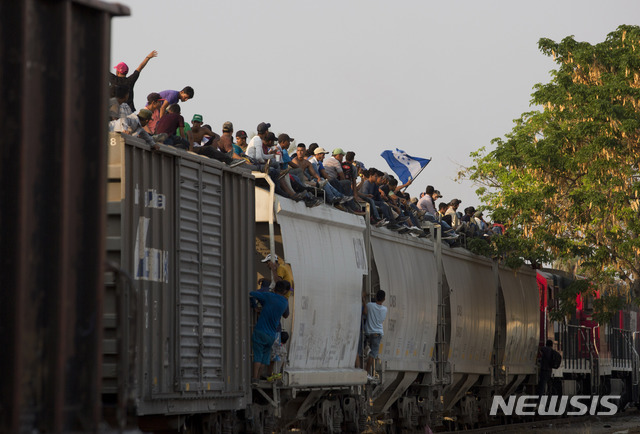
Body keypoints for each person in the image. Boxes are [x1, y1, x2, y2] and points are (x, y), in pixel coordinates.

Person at [250, 281, 290, 384]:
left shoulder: (269, 296)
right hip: (272, 335)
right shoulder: (285, 302)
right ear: (285, 291)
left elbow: (252, 293)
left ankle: (254, 379)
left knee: (258, 355)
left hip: (260, 330)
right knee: (264, 358)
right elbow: (286, 314)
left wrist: (255, 306)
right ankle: (258, 378)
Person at [358, 290, 387, 380]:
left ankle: (359, 368)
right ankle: (366, 372)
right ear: (384, 299)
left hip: (368, 332)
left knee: (362, 349)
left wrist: (363, 299)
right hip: (377, 333)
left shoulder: (370, 305)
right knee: (373, 354)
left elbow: (365, 312)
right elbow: (381, 320)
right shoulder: (385, 309)